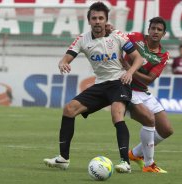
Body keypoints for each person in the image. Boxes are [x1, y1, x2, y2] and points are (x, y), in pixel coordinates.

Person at [43, 2, 148, 173]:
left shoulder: (117, 35)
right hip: (101, 84)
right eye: (94, 18)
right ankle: (63, 158)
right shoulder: (82, 39)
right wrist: (63, 63)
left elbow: (138, 58)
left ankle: (125, 162)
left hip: (119, 82)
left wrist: (129, 72)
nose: (97, 21)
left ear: (106, 20)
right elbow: (67, 57)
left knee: (116, 114)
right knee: (69, 109)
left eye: (101, 18)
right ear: (89, 21)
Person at [121, 17, 174, 173]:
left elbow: (150, 79)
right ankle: (149, 164)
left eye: (159, 30)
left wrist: (129, 68)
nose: (155, 32)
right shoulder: (135, 37)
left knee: (166, 130)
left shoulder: (163, 55)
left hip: (143, 91)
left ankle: (135, 154)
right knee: (149, 120)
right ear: (148, 29)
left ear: (164, 34)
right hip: (126, 88)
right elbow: (117, 38)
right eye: (153, 28)